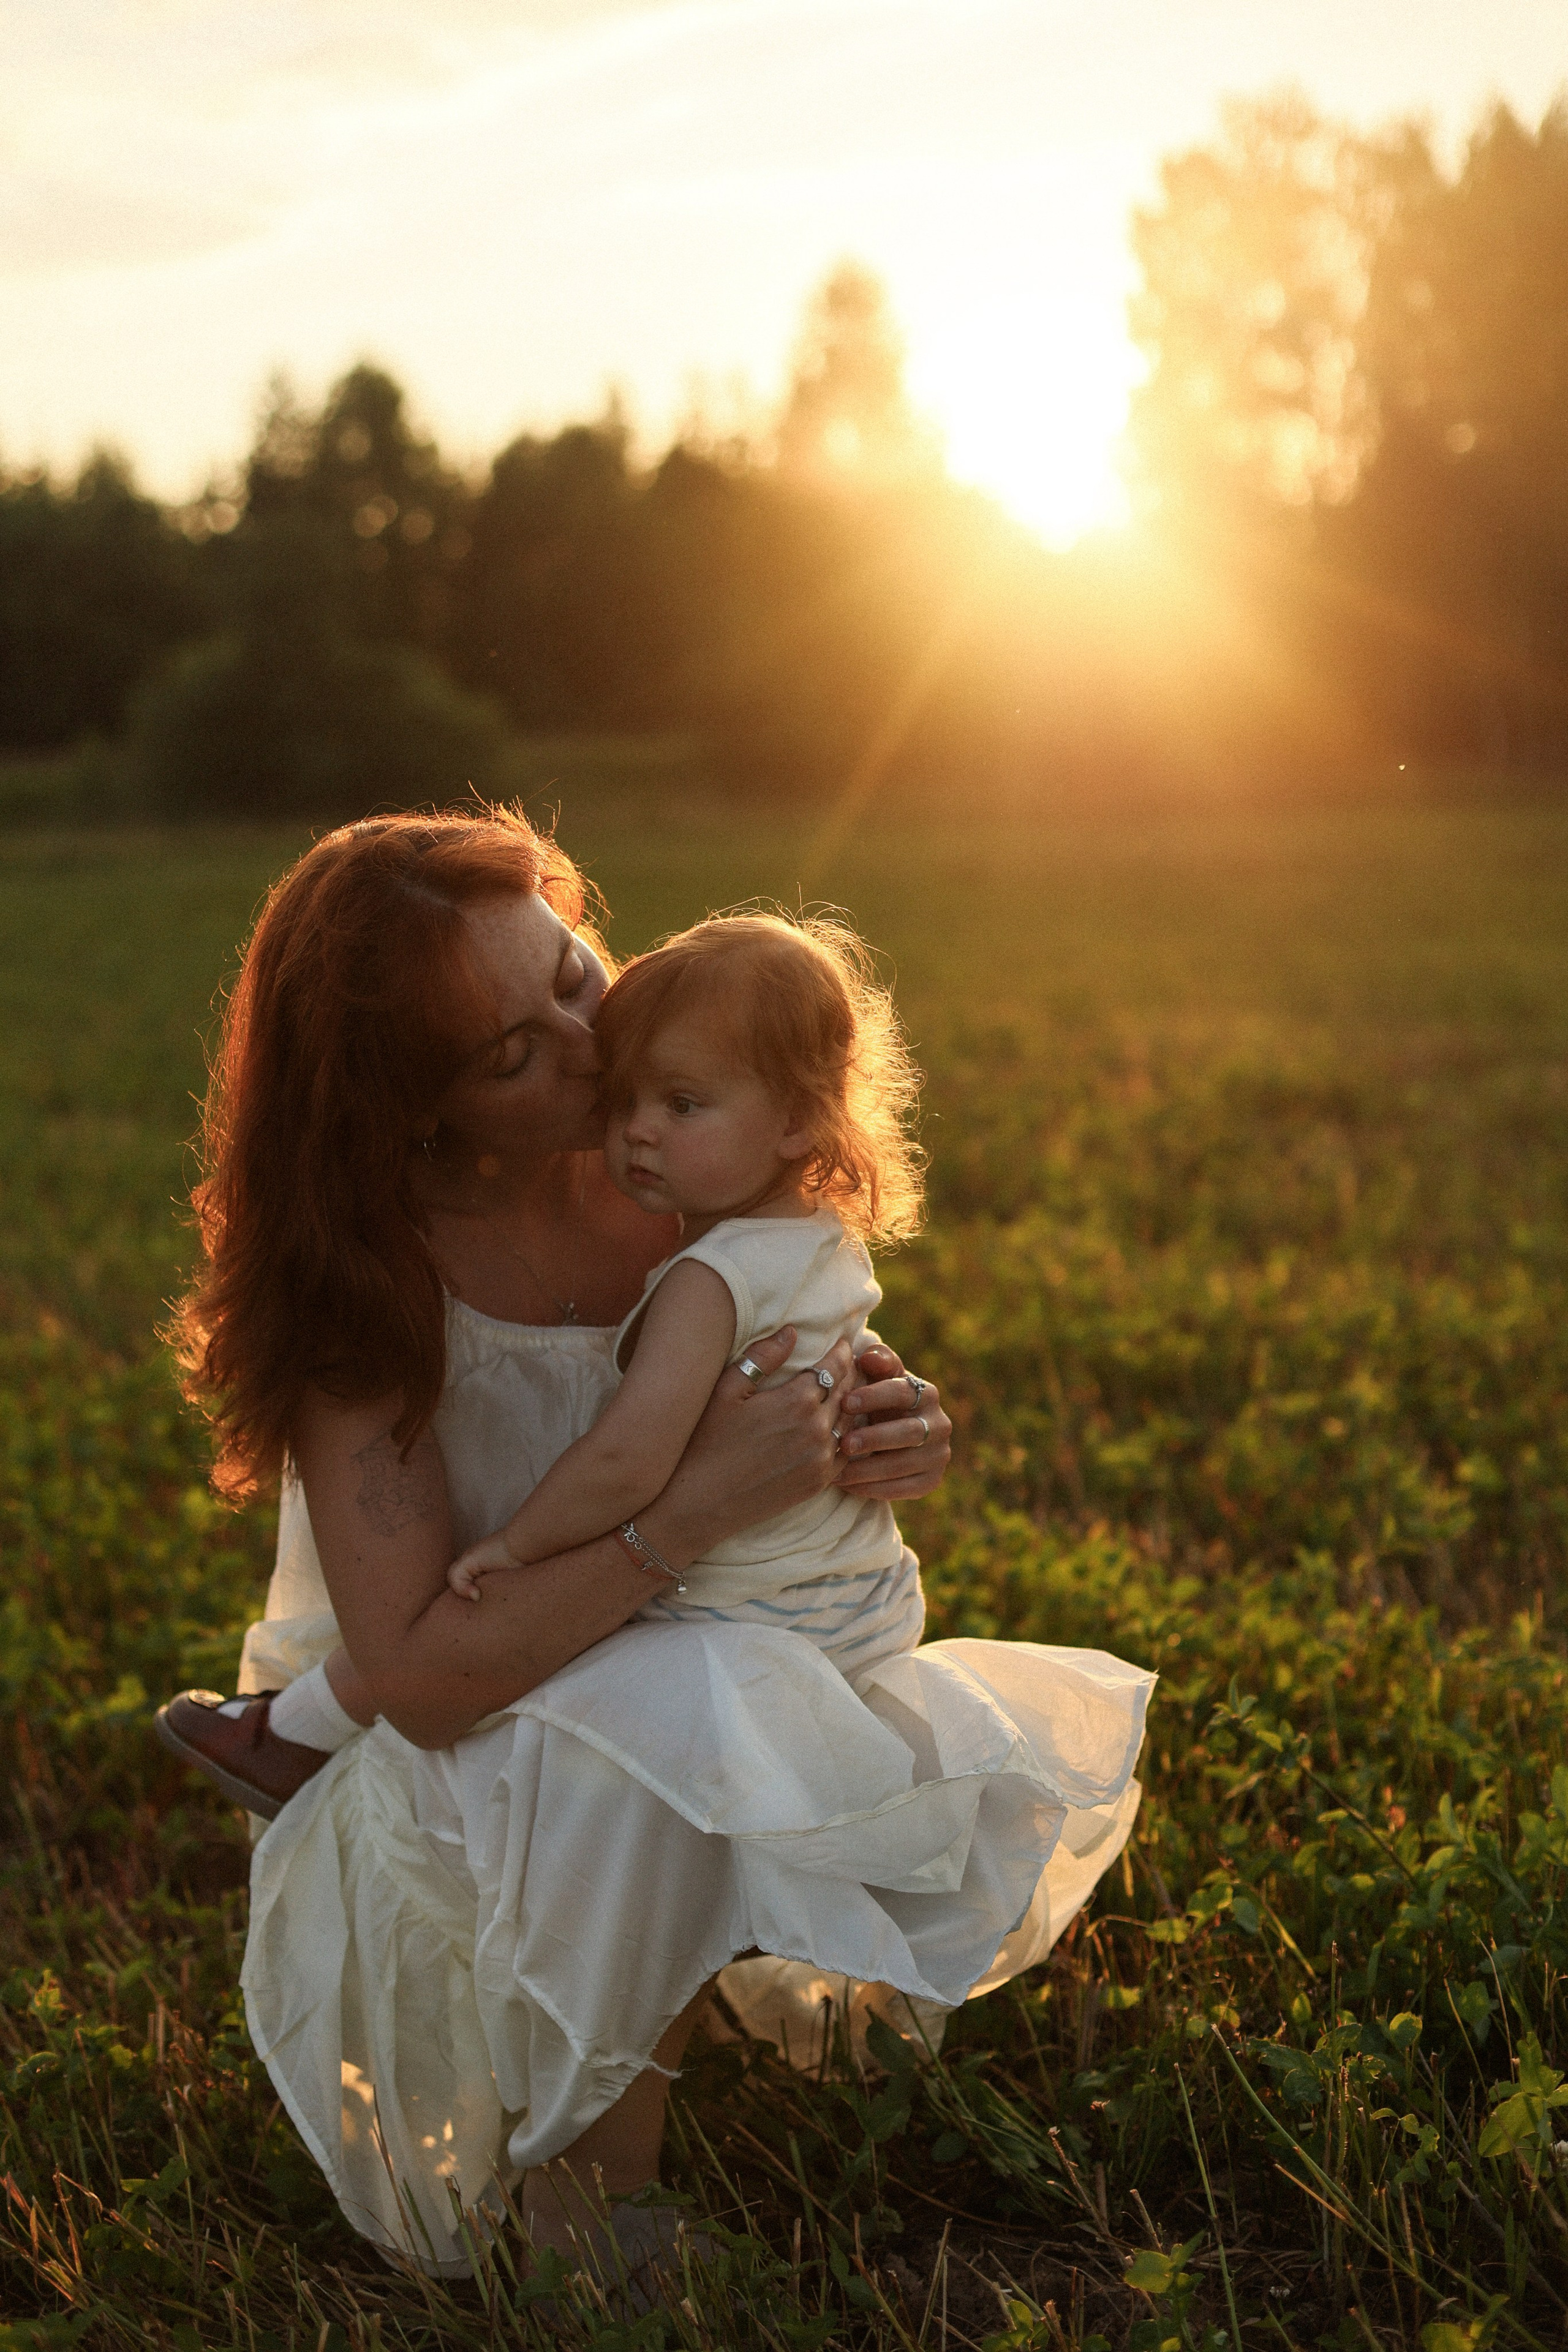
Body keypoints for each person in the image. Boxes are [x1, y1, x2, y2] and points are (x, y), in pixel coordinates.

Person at [157, 809, 1153, 2282]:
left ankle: (665, 1992)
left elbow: (794, 1357)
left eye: (574, 972)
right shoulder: (368, 1289)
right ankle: (580, 2203)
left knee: (710, 1694)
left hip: (681, 1640)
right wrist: (690, 1516)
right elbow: (425, 1681)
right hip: (458, 1725)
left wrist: (888, 1425)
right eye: (517, 1053)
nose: (591, 1046)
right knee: (659, 1716)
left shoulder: (685, 1163)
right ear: (409, 1111)